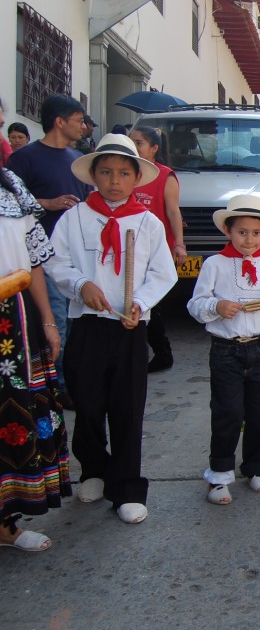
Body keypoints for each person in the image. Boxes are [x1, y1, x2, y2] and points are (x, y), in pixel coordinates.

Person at [46, 134, 178, 524]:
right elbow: (56, 263)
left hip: (129, 327)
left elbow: (162, 272)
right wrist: (80, 285)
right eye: (106, 172)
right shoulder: (74, 218)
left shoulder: (148, 223)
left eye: (123, 173)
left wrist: (142, 302)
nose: (114, 180)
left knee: (127, 407)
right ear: (94, 176)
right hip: (86, 325)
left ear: (137, 177)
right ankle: (93, 468)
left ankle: (127, 487)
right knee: (86, 402)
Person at [187, 194, 260, 506]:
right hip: (226, 351)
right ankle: (219, 474)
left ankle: (255, 466)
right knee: (227, 413)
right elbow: (195, 305)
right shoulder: (215, 265)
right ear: (228, 231)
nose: (249, 239)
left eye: (256, 233)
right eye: (242, 232)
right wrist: (216, 305)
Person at [0, 165, 71, 552]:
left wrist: (48, 321)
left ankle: (5, 523)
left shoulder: (12, 188)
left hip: (14, 321)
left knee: (14, 415)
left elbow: (36, 263)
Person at [7, 94, 91, 409]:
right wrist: (49, 203)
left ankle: (71, 380)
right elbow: (12, 207)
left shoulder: (77, 160)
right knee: (55, 322)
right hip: (43, 260)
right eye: (79, 119)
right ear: (60, 121)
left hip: (77, 256)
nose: (83, 126)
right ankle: (56, 388)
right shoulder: (24, 159)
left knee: (75, 322)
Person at [130, 126, 187, 372]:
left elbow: (173, 212)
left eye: (139, 142)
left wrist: (179, 243)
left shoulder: (165, 176)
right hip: (127, 250)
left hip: (156, 250)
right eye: (131, 141)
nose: (134, 146)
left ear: (154, 148)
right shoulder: (126, 173)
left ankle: (162, 353)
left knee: (151, 304)